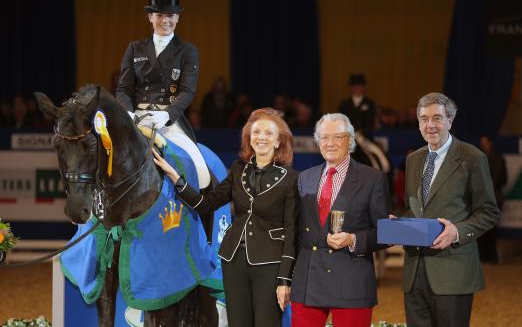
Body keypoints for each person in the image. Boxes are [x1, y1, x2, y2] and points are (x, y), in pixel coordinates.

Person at [153, 108, 299, 327]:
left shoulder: (291, 179)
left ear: (279, 142)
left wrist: (284, 280)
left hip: (270, 263)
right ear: (249, 137)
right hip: (234, 261)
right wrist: (177, 179)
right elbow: (206, 204)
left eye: (269, 133)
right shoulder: (238, 169)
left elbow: (291, 231)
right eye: (256, 132)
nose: (261, 137)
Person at [400, 93, 500, 326]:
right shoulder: (413, 159)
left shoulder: (472, 157)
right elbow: (412, 209)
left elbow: (489, 211)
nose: (430, 125)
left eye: (437, 117)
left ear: (450, 121)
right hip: (414, 273)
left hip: (453, 272)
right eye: (423, 119)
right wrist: (400, 224)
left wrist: (457, 232)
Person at [290, 113, 391, 327]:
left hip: (351, 283)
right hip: (307, 283)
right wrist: (286, 279)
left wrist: (353, 240)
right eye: (325, 137)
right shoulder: (304, 178)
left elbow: (385, 233)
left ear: (350, 140)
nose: (331, 143)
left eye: (338, 137)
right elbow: (295, 233)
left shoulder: (372, 179)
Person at [116, 0, 210, 189]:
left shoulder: (187, 51)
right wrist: (128, 113)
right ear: (150, 18)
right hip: (137, 118)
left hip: (168, 121)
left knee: (201, 170)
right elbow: (123, 89)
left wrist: (166, 115)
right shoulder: (135, 48)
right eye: (159, 15)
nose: (165, 21)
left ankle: (204, 213)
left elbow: (187, 91)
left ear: (177, 18)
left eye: (170, 16)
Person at [478, 135, 507, 263]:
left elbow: (501, 178)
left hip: (494, 199)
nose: (484, 145)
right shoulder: (478, 158)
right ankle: (482, 257)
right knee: (480, 228)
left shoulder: (499, 159)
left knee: (492, 229)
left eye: (486, 142)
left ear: (491, 143)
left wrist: (487, 188)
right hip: (480, 200)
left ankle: (492, 257)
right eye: (482, 143)